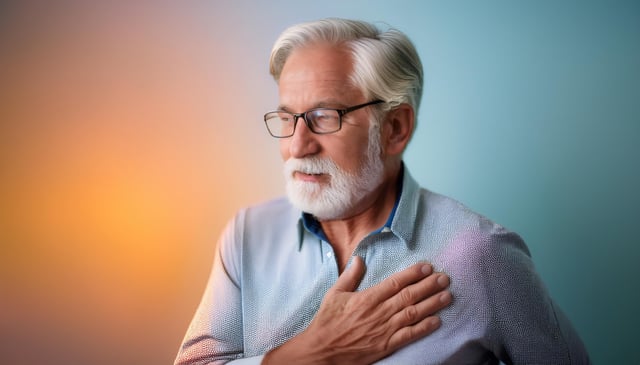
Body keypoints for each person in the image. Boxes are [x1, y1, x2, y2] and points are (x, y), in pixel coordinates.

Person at [175, 18, 591, 365]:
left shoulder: (480, 254)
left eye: (324, 117)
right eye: (287, 118)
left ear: (395, 128)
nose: (297, 145)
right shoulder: (246, 235)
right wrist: (313, 354)